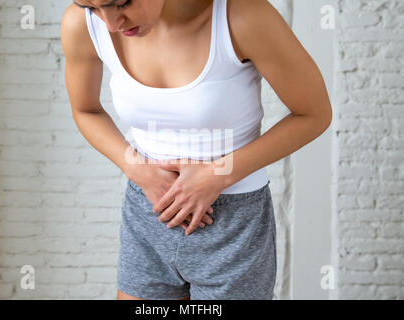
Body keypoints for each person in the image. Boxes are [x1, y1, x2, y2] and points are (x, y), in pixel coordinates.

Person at [60, 0, 332, 300]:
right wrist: (137, 168)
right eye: (90, 5)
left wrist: (216, 175)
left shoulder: (242, 15)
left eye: (122, 2)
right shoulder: (82, 24)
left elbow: (313, 114)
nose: (110, 23)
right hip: (148, 213)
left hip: (232, 224)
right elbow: (86, 110)